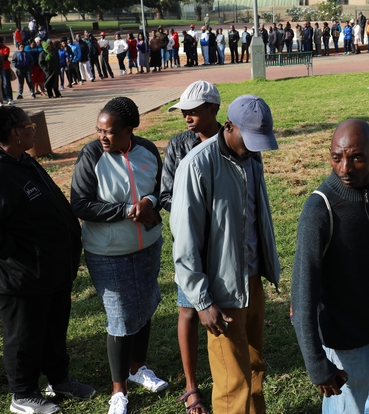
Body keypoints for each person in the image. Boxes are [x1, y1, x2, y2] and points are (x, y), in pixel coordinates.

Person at [0, 104, 95, 414]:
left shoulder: (20, 160)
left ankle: (59, 380)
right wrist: (12, 250)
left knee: (52, 330)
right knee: (25, 337)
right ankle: (23, 395)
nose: (33, 129)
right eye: (28, 126)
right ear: (15, 133)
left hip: (47, 272)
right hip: (20, 278)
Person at [170, 94, 280, 414]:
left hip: (252, 281)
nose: (255, 147)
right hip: (221, 292)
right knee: (233, 384)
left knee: (255, 368)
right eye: (250, 139)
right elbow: (185, 240)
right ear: (229, 126)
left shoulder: (252, 156)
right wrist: (202, 302)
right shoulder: (197, 165)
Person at [292, 119, 369, 413]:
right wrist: (317, 366)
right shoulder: (319, 210)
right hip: (345, 345)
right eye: (336, 157)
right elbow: (303, 295)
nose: (344, 168)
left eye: (356, 158)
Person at [70, 97, 168, 414]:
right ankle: (119, 390)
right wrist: (127, 211)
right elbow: (81, 204)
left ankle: (138, 368)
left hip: (147, 246)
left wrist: (150, 200)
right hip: (108, 252)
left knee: (145, 305)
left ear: (129, 130)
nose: (102, 137)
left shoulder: (148, 150)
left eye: (110, 131)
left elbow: (161, 189)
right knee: (121, 316)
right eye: (99, 130)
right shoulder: (91, 155)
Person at [160, 81, 222, 414]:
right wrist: (195, 215)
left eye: (194, 111)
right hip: (191, 244)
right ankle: (192, 386)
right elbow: (167, 194)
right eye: (184, 112)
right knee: (188, 309)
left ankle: (227, 376)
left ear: (213, 109)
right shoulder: (178, 145)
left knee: (225, 310)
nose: (187, 117)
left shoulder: (233, 142)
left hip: (226, 247)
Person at [0, 37, 14, 105]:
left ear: (1, 42)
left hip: (5, 68)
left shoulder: (6, 48)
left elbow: (5, 58)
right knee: (0, 84)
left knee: (7, 83)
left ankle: (10, 98)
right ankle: (4, 97)